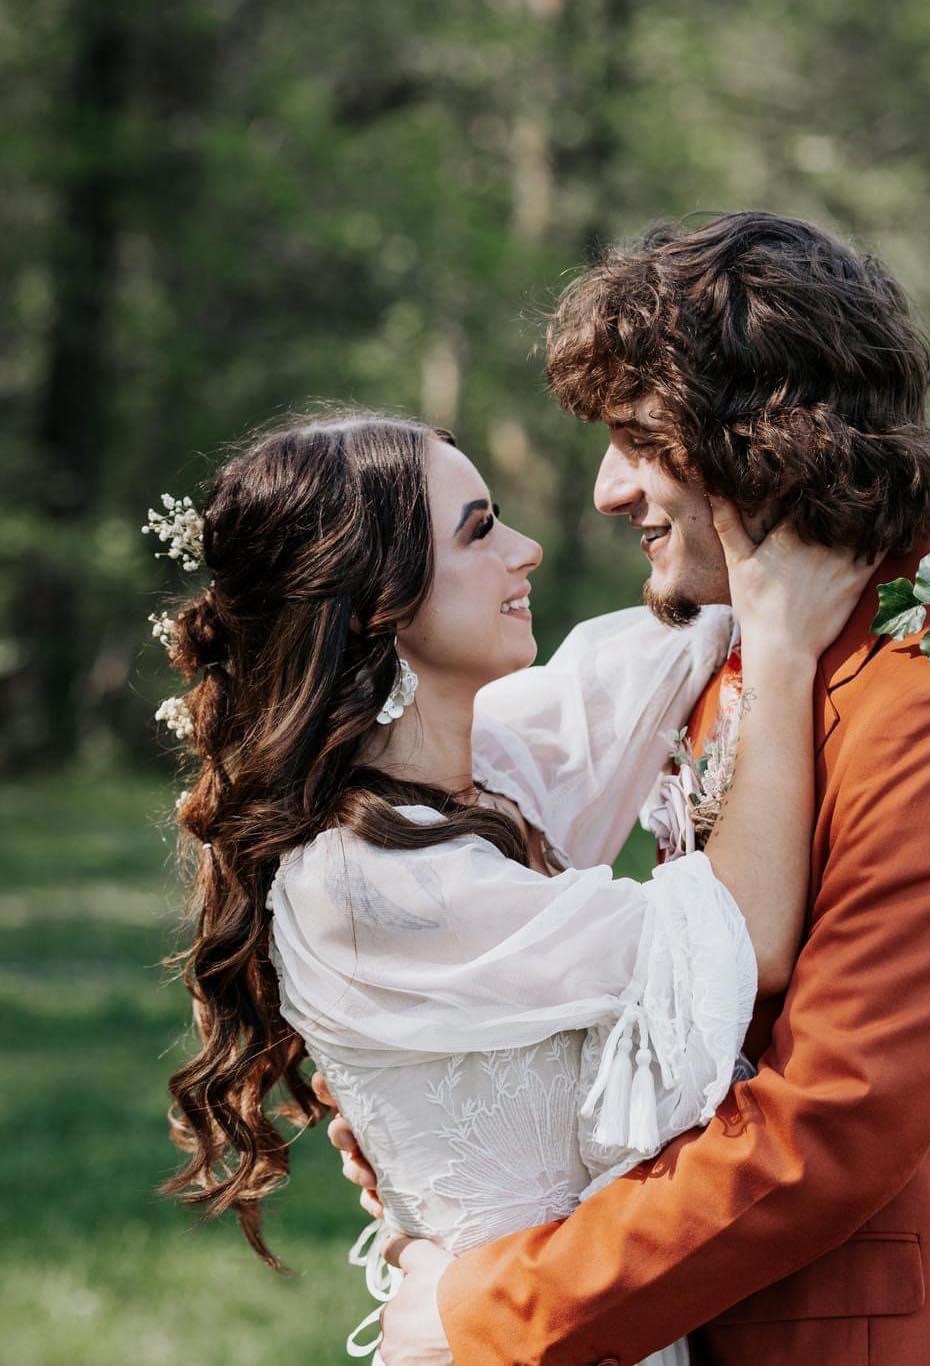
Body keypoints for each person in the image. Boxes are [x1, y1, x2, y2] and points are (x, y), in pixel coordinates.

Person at [340, 212, 930, 1365]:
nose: (603, 492)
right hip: (694, 1307)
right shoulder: (727, 657)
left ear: (766, 438)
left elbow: (832, 1124)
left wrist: (491, 1307)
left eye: (641, 441)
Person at [158, 410, 871, 1362]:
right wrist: (782, 658)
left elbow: (645, 661)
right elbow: (739, 935)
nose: (526, 551)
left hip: (578, 1321)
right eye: (479, 530)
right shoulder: (365, 880)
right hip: (508, 1333)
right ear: (381, 601)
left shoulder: (475, 770)